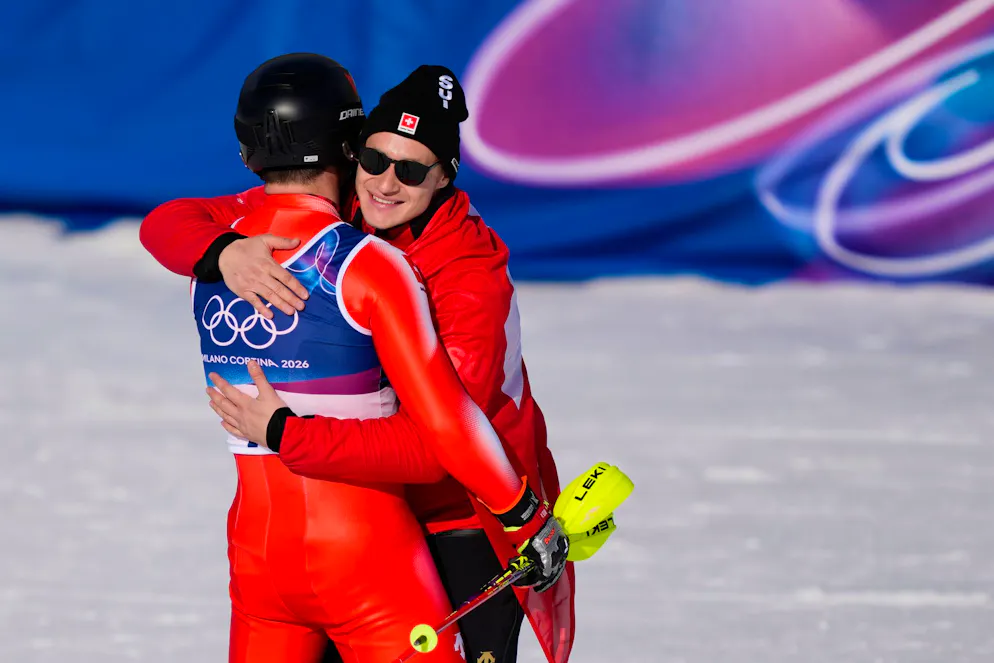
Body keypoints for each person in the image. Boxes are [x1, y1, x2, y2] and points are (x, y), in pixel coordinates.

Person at [140, 63, 575, 663]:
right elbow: (168, 221)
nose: (386, 184)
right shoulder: (348, 209)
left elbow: (438, 446)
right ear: (351, 154)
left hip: (463, 519)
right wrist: (223, 251)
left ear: (444, 176)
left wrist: (286, 434)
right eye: (373, 160)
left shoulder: (468, 277)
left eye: (412, 170)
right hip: (366, 523)